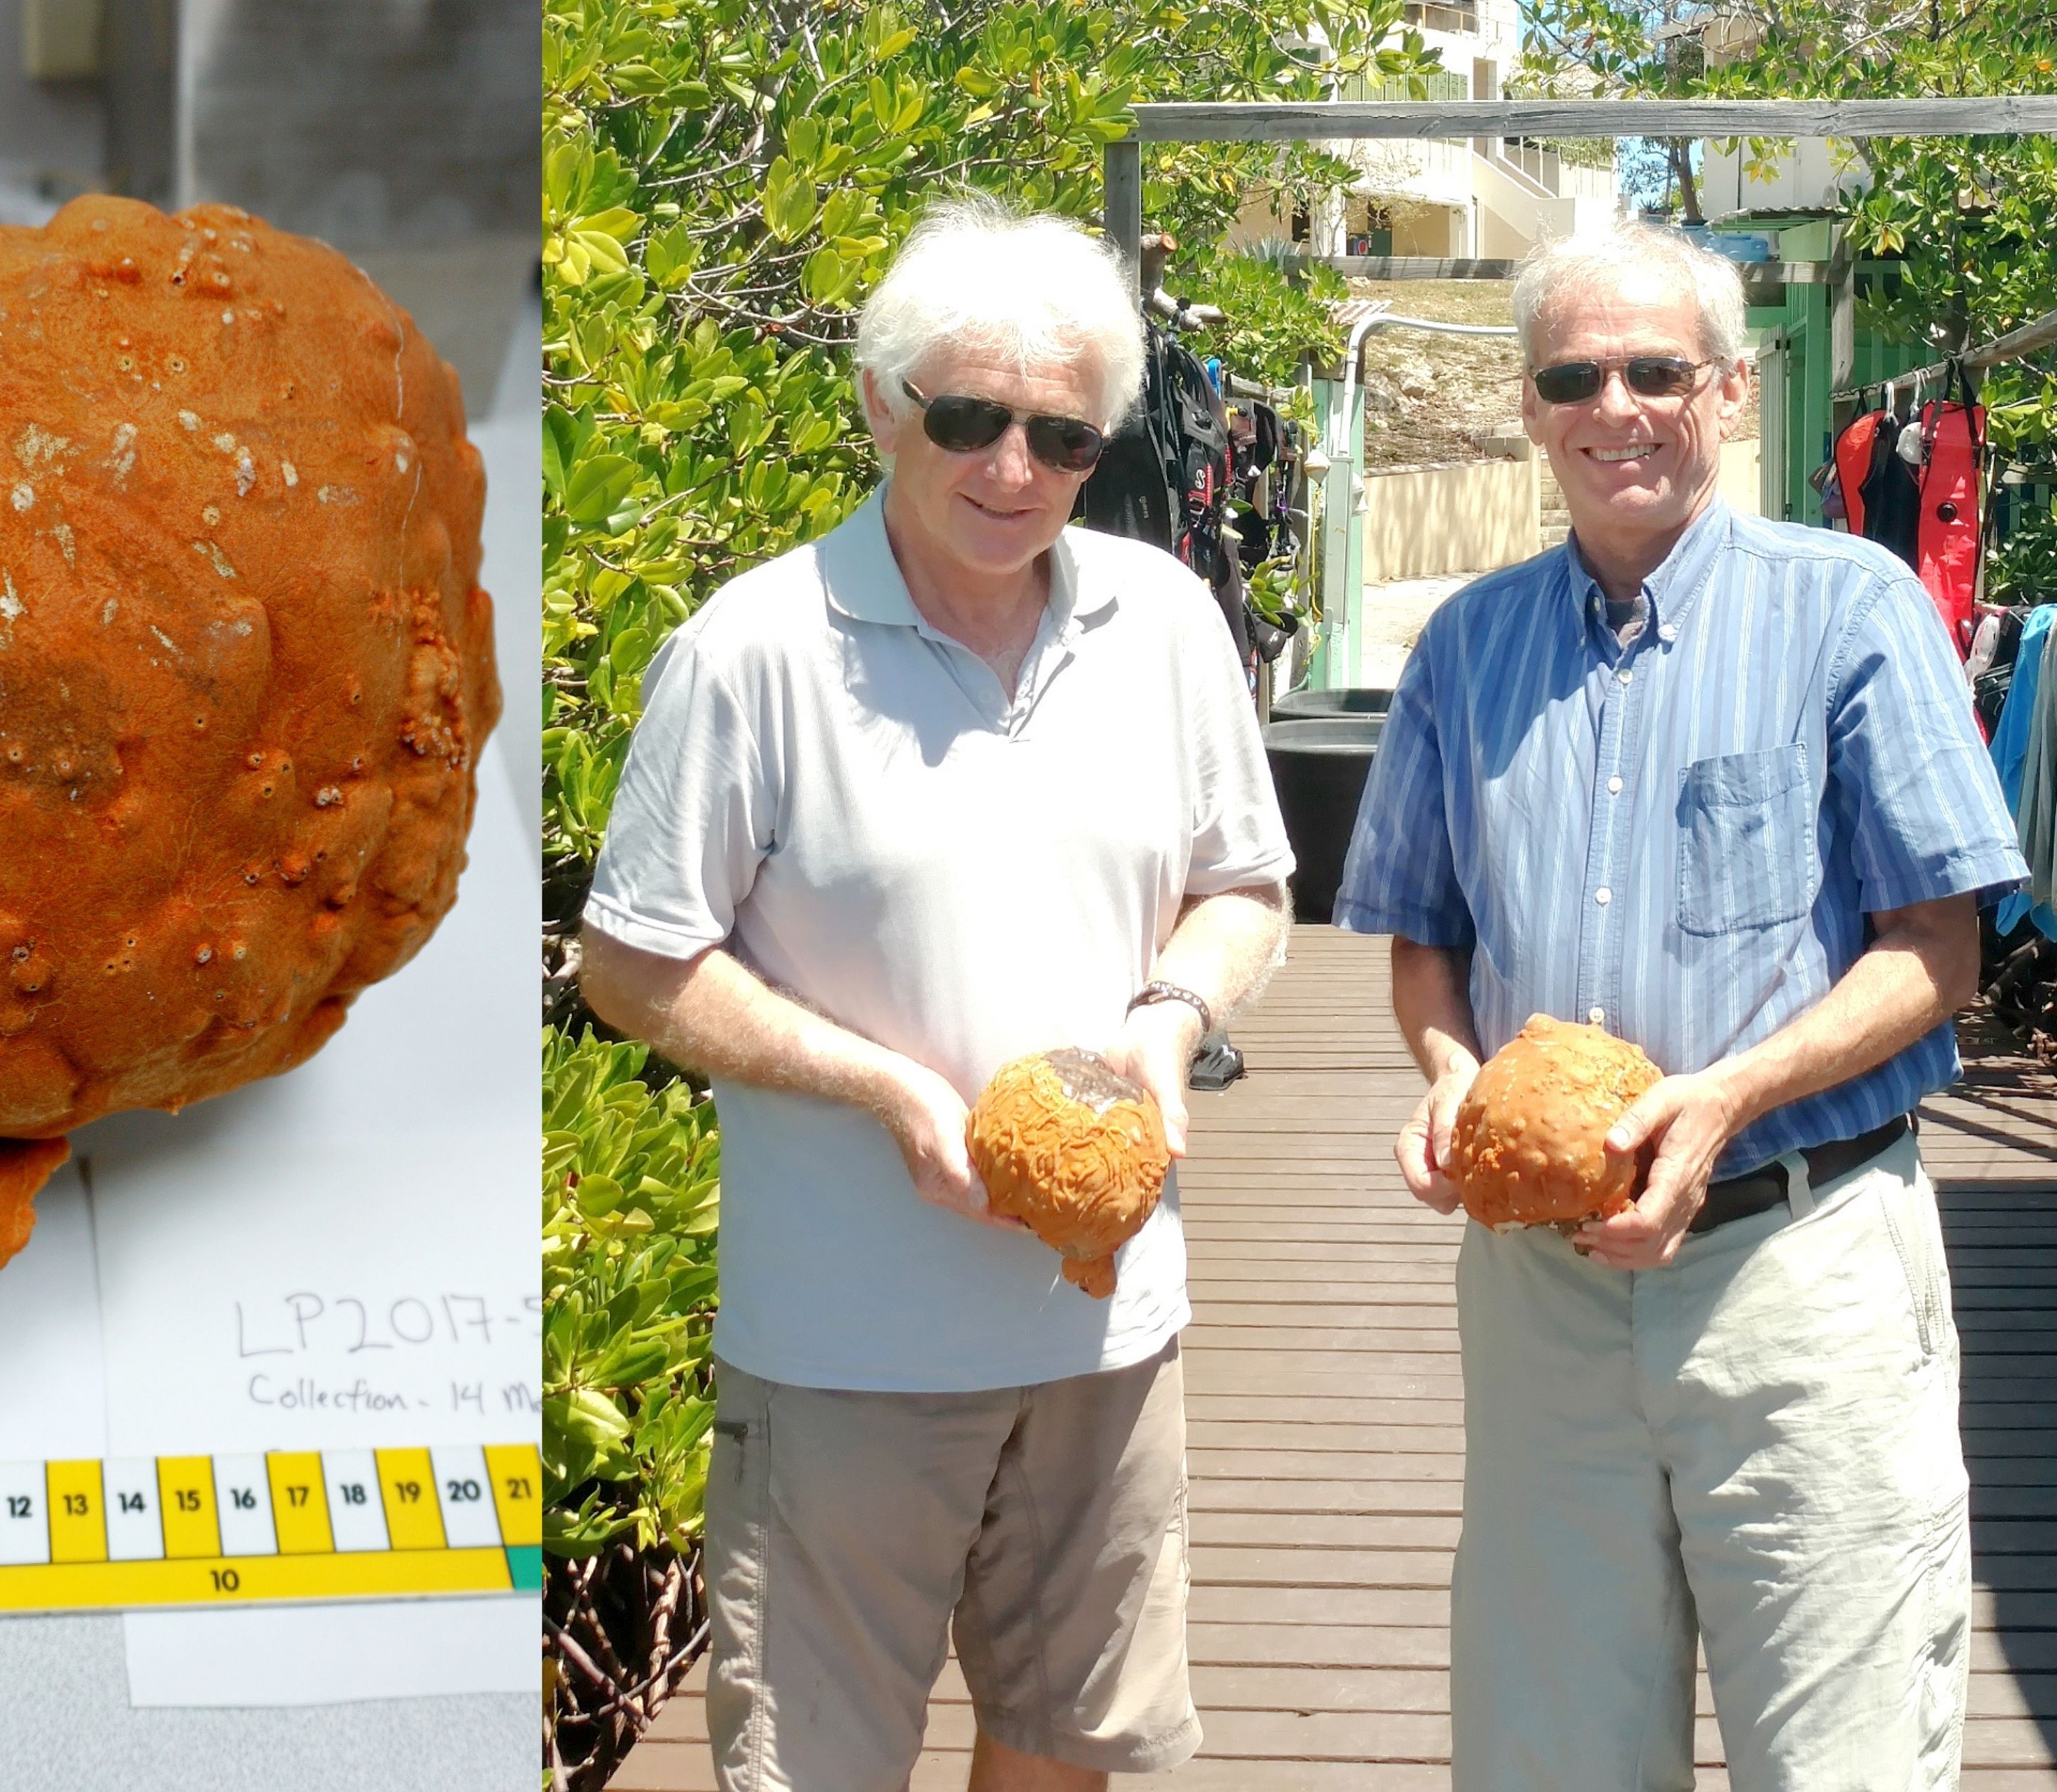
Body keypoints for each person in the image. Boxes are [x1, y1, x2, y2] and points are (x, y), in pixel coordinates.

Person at [577, 195, 1292, 1791]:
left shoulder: (1166, 623)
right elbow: (631, 962)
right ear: (881, 405)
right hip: (846, 1339)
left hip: (1107, 1329)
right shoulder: (754, 649)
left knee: (1064, 1750)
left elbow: (1245, 885)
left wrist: (1170, 1016)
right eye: (970, 419)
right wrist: (884, 1086)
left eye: (1064, 436)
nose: (1013, 469)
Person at [1333, 220, 2027, 1791]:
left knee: (1843, 1751)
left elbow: (1939, 949)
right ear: (1531, 408)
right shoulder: (1467, 646)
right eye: (1574, 376)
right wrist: (1448, 1069)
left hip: (1798, 1271)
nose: (1616, 407)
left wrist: (1729, 1096)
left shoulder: (1850, 609)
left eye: (1656, 370)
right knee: (1549, 1754)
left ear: (1726, 389)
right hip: (1542, 1296)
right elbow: (1424, 938)